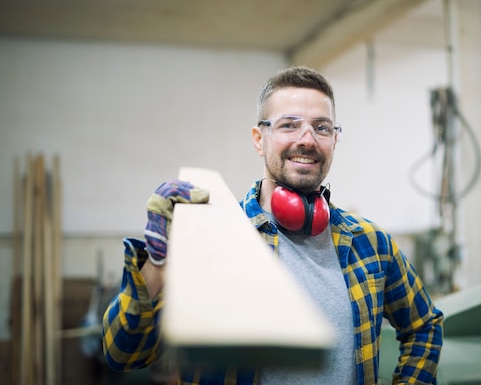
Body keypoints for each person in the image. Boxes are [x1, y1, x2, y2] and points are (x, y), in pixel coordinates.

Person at [102, 66, 443, 384]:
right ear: (258, 139)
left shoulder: (371, 243)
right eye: (289, 124)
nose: (307, 139)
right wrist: (158, 264)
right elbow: (123, 353)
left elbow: (424, 325)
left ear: (334, 140)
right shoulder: (216, 238)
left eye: (322, 127)